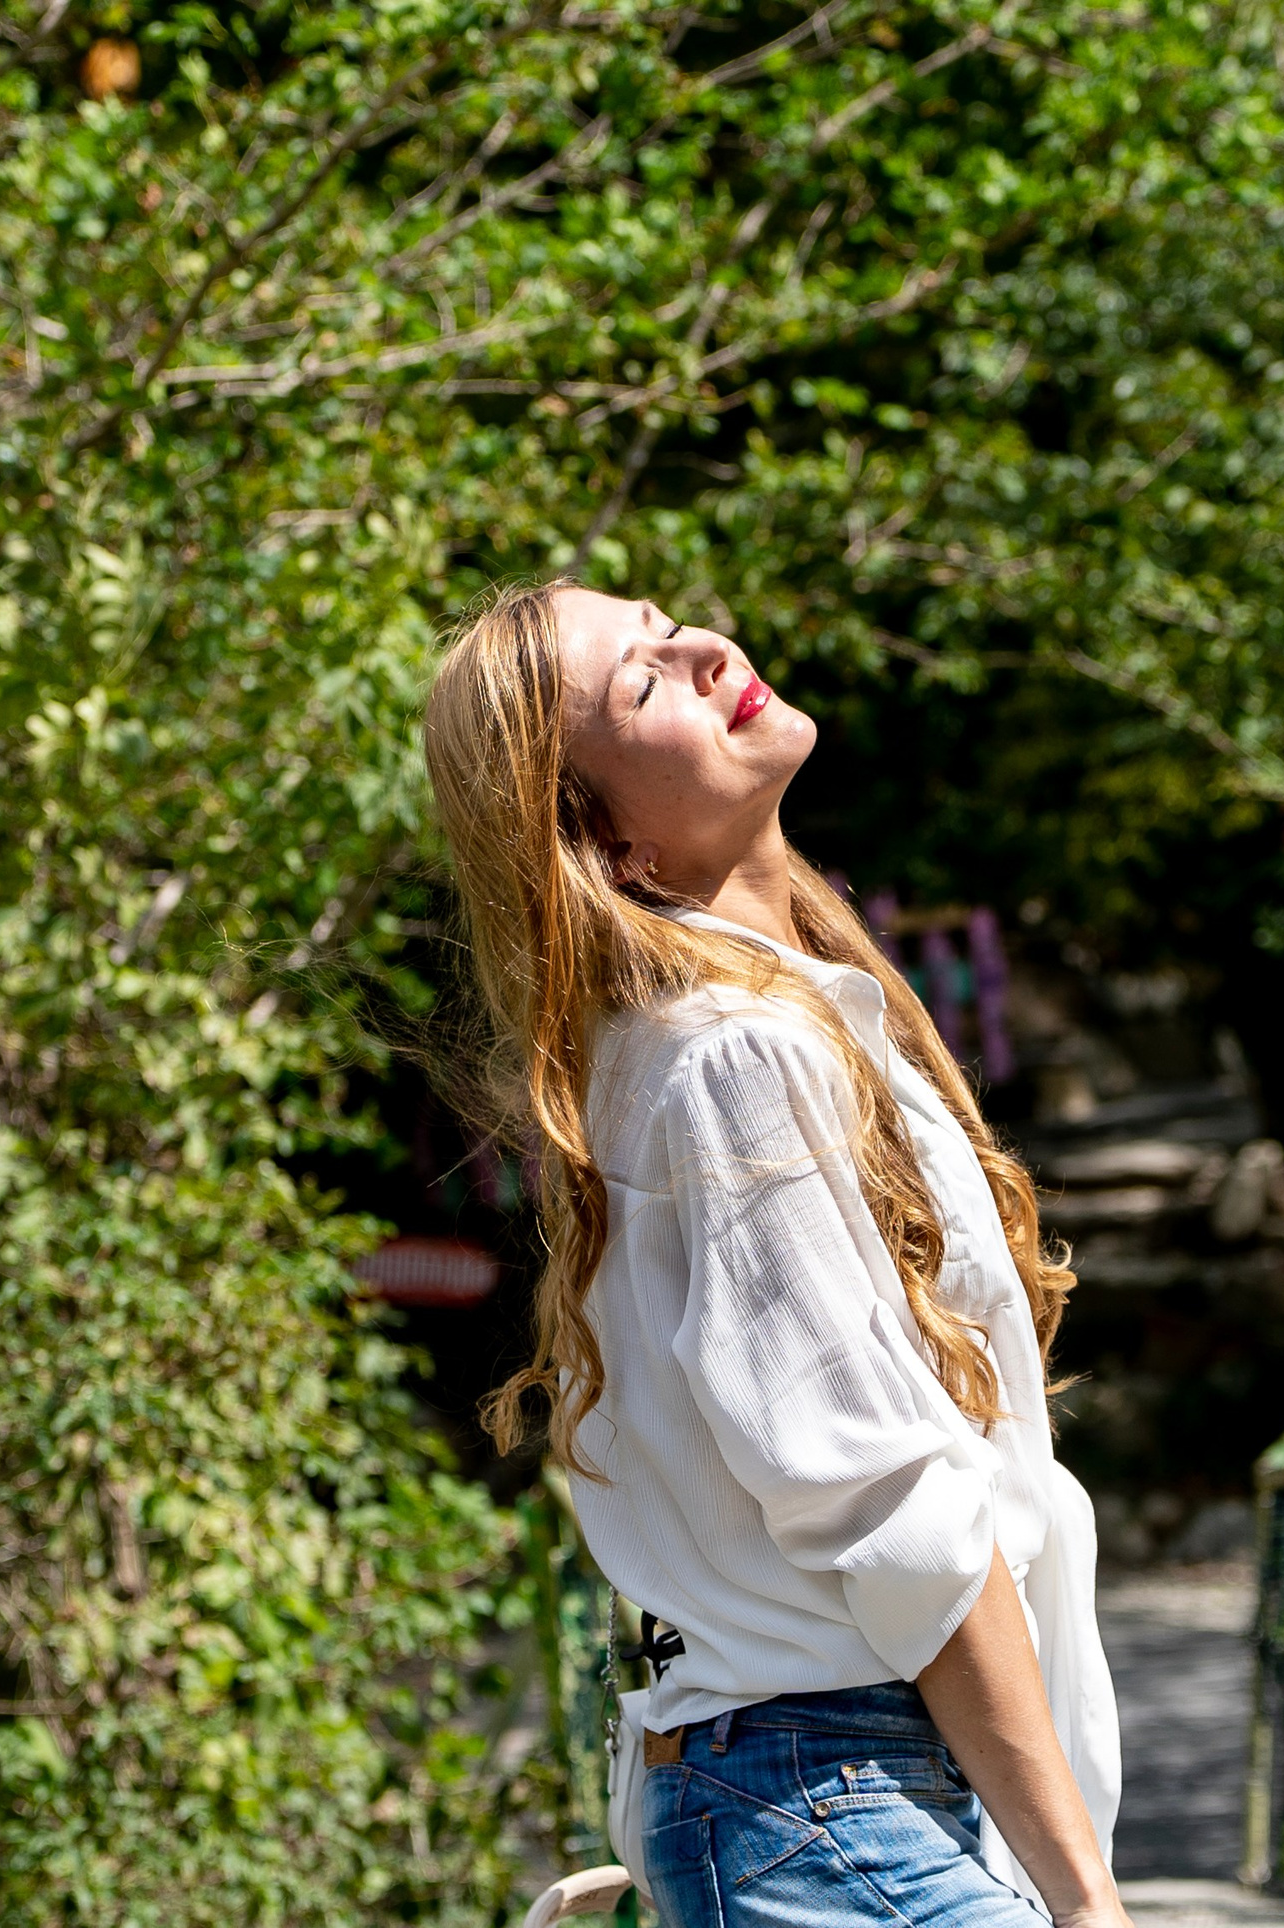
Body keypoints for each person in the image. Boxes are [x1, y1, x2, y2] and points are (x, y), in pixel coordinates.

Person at [422, 579, 1125, 1928]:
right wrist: (1088, 1901)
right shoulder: (729, 1058)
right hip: (832, 1801)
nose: (701, 649)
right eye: (642, 682)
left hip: (834, 1798)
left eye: (665, 623)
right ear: (604, 842)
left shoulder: (750, 1034)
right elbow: (887, 1503)